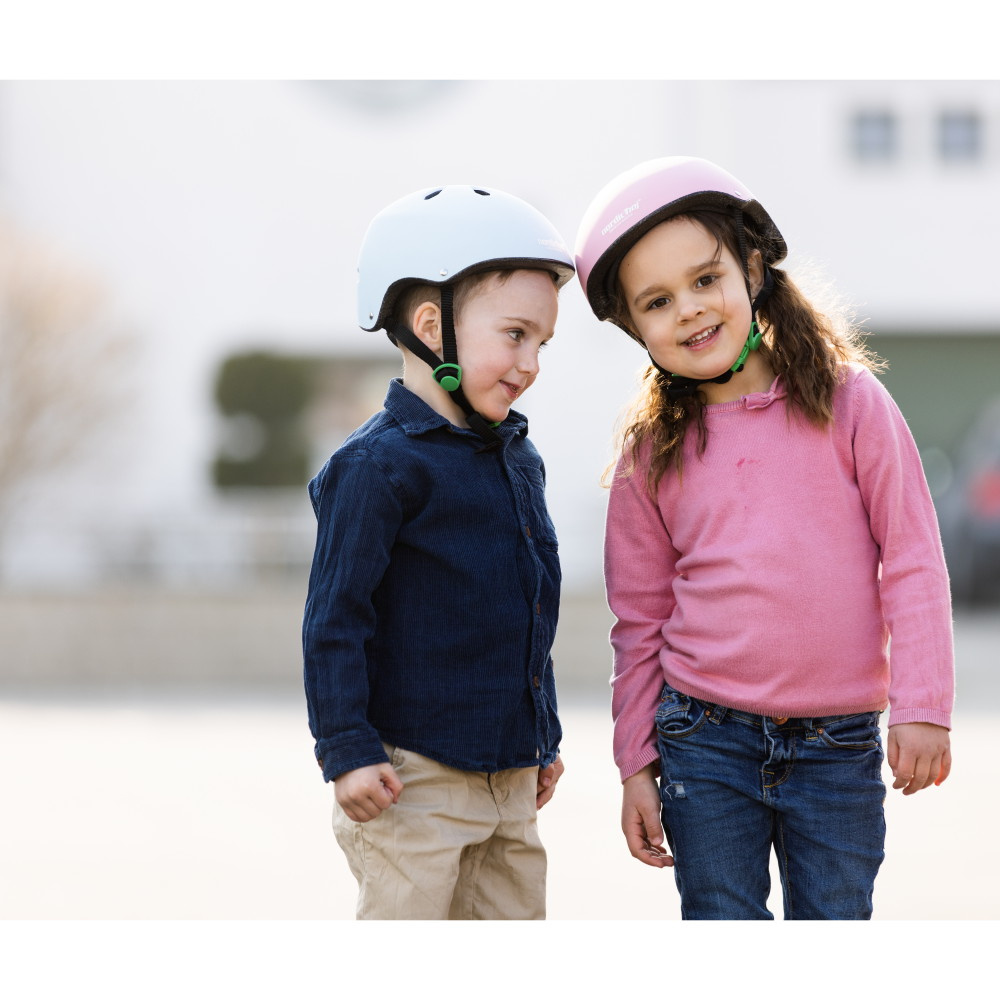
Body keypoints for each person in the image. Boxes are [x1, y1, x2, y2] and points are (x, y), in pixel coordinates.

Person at [574, 155, 955, 920]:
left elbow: (913, 559)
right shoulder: (650, 454)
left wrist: (925, 703)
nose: (688, 309)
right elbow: (639, 623)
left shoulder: (849, 402)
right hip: (703, 741)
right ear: (632, 325)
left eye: (705, 279)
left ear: (751, 268)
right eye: (657, 301)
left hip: (838, 745)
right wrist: (635, 764)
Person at [302, 184, 575, 920]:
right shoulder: (377, 467)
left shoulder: (516, 457)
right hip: (411, 780)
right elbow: (335, 620)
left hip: (510, 783)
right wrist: (346, 749)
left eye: (542, 343)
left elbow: (526, 606)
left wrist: (538, 734)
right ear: (431, 326)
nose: (531, 363)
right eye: (516, 335)